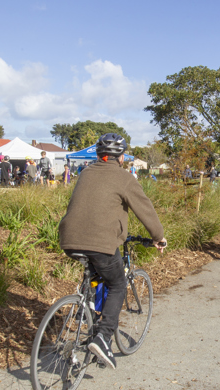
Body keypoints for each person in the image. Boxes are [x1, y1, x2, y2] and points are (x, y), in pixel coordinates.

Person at [59, 132, 167, 370]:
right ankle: (104, 338)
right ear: (121, 157)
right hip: (101, 243)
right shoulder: (123, 177)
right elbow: (145, 209)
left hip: (68, 239)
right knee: (117, 284)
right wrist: (158, 237)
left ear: (99, 155)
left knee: (97, 273)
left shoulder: (85, 173)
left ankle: (85, 309)